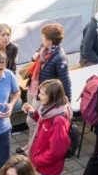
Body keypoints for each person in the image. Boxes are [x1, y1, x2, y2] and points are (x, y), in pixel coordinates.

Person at [22, 79, 71, 175]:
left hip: (48, 166)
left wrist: (36, 160)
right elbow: (43, 119)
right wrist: (33, 113)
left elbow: (56, 152)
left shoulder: (59, 120)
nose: (39, 97)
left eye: (43, 94)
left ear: (53, 96)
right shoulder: (51, 109)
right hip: (43, 162)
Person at [19, 24, 71, 154]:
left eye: (44, 36)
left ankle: (34, 145)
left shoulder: (59, 57)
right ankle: (30, 144)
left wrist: (67, 100)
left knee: (32, 120)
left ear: (50, 40)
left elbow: (65, 80)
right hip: (33, 87)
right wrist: (36, 54)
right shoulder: (45, 48)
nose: (41, 37)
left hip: (42, 94)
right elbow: (34, 58)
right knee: (31, 117)